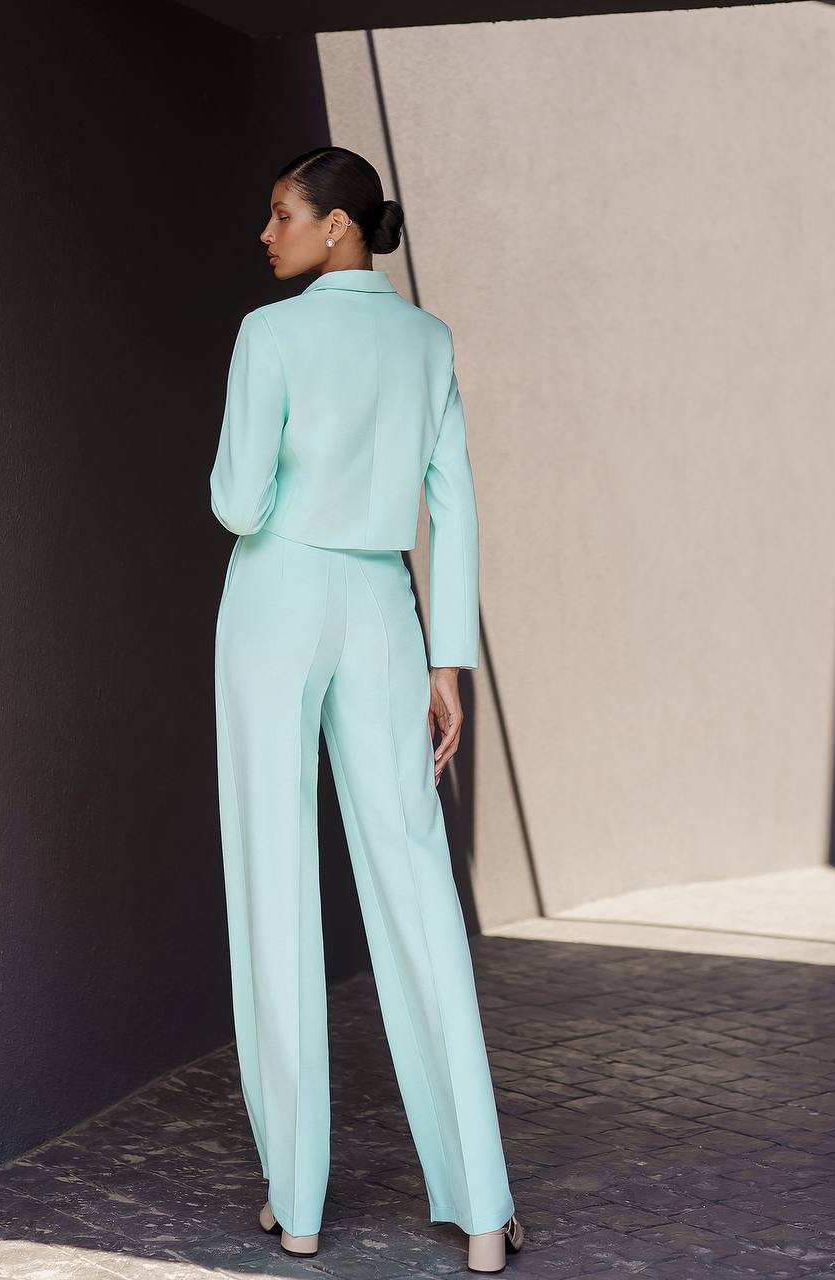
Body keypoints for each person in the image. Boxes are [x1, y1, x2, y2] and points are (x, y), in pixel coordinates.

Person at [209, 145, 524, 1275]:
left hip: (277, 595)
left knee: (273, 885)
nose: (267, 230)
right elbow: (456, 504)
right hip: (388, 609)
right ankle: (483, 1210)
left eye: (282, 211)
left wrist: (275, 491)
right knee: (416, 884)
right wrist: (446, 660)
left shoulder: (269, 334)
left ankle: (296, 1203)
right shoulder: (428, 340)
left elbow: (236, 499)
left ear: (337, 226)